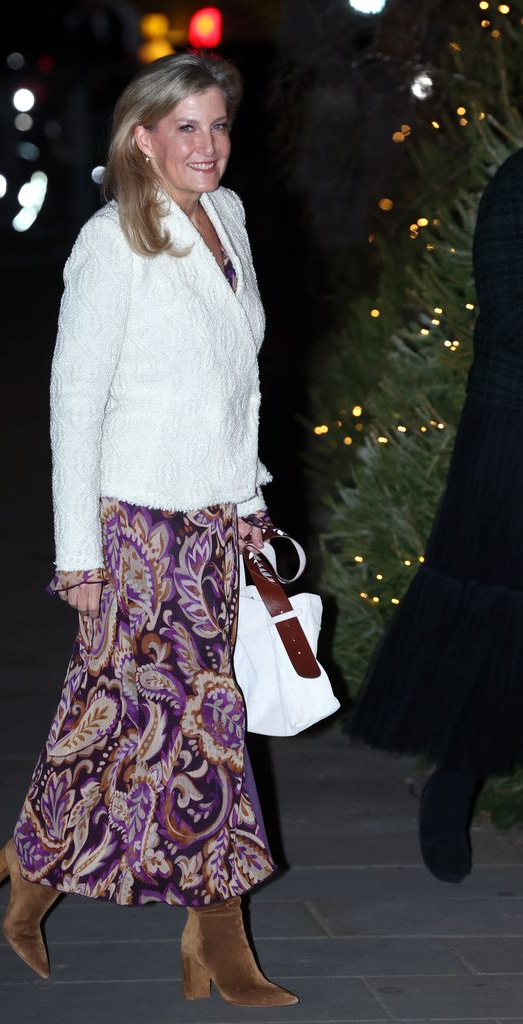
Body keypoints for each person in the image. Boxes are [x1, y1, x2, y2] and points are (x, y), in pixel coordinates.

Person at [0, 51, 298, 1008]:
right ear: (142, 138)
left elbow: (233, 389)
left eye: (218, 125)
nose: (207, 145)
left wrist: (245, 503)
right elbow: (74, 402)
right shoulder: (112, 240)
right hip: (137, 528)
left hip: (209, 523)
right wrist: (79, 555)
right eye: (185, 127)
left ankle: (30, 876)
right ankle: (216, 936)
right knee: (188, 723)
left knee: (131, 721)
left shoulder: (229, 219)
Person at [344, 146, 523, 884]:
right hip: (513, 432)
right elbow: (509, 314)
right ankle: (455, 780)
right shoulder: (517, 183)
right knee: (495, 618)